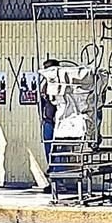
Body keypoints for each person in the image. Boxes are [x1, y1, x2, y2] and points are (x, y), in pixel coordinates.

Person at [38, 58, 60, 194]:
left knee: (56, 152)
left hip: (56, 121)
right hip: (47, 120)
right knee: (49, 152)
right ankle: (53, 181)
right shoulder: (44, 84)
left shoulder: (60, 85)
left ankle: (58, 182)